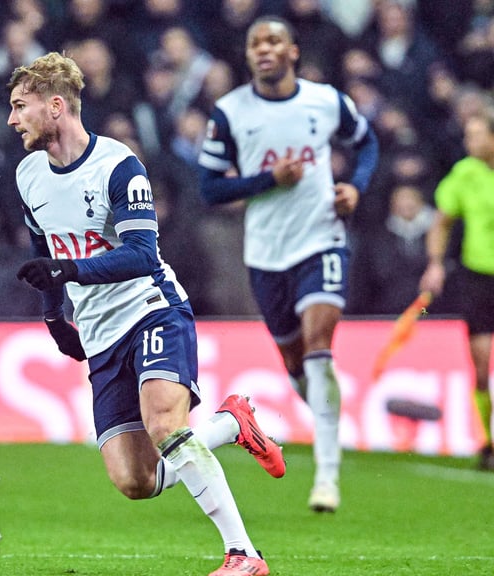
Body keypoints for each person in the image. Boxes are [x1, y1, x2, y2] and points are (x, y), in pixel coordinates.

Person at [8, 51, 283, 576]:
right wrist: (53, 316)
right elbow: (42, 253)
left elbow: (138, 253)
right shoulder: (28, 175)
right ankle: (231, 425)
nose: (13, 119)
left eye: (21, 106)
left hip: (151, 309)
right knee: (136, 481)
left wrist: (69, 274)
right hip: (99, 333)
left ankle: (243, 553)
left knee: (165, 424)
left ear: (57, 106)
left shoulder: (118, 165)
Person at [197, 16, 379, 512]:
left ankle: (327, 478)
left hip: (322, 239)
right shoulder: (230, 112)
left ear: (292, 51)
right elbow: (209, 186)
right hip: (265, 254)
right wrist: (266, 179)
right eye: (256, 42)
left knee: (320, 347)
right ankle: (325, 415)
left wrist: (356, 187)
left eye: (274, 40)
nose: (264, 49)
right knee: (296, 363)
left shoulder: (325, 100)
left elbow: (366, 142)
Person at [419, 111, 494, 471]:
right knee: (481, 368)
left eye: (477, 135)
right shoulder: (465, 172)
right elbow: (442, 221)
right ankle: (488, 442)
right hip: (479, 277)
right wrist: (435, 263)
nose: (470, 143)